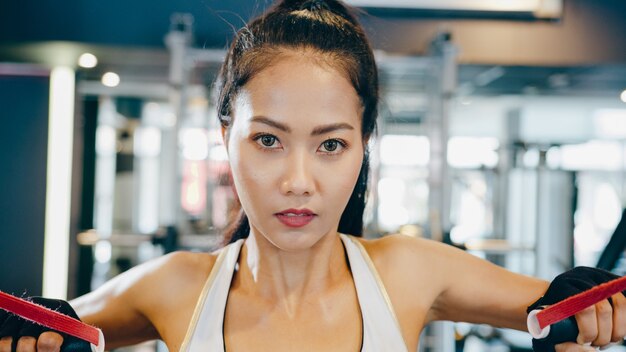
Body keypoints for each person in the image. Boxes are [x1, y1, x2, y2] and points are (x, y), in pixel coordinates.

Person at [1, 0, 625, 351]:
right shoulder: (174, 286)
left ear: (363, 148)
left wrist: (595, 302)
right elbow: (46, 328)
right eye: (268, 140)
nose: (298, 181)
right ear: (227, 139)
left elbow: (571, 306)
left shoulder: (408, 271)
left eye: (330, 144)